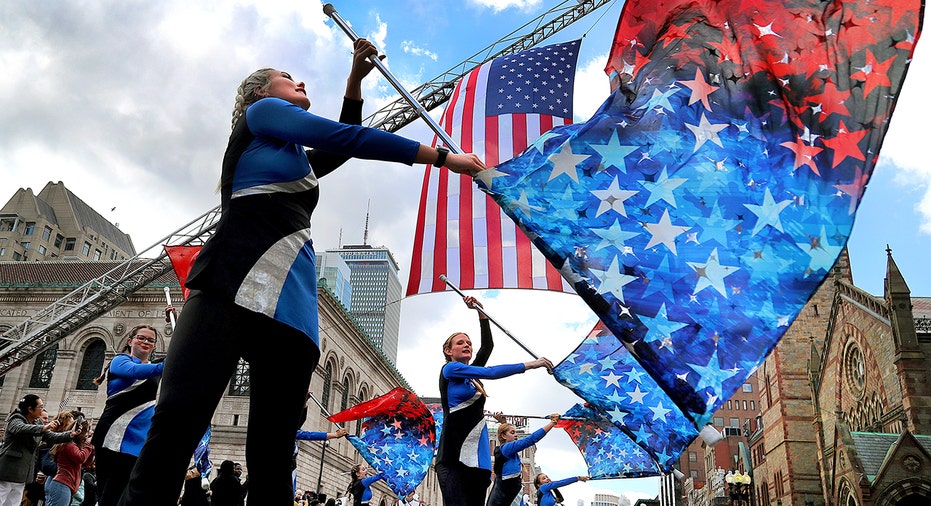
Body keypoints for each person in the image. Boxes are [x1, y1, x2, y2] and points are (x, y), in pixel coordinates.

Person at [119, 36, 485, 506]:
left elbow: (343, 142)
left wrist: (355, 79)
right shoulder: (260, 115)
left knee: (274, 453)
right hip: (231, 283)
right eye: (289, 78)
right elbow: (343, 137)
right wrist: (440, 157)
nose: (300, 81)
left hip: (287, 302)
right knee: (178, 424)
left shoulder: (294, 162)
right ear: (260, 95)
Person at [435, 296, 553, 506]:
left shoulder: (472, 376)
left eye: (469, 343)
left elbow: (487, 346)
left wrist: (481, 313)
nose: (467, 345)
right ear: (448, 351)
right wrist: (531, 364)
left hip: (478, 462)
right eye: (460, 343)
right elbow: (491, 372)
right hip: (453, 457)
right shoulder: (450, 369)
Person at [90, 323, 164, 506]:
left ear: (154, 346)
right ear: (130, 341)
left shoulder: (156, 368)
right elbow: (135, 371)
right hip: (114, 436)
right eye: (141, 338)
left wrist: (179, 323)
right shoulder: (120, 361)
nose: (145, 342)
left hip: (139, 439)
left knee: (130, 497)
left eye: (150, 340)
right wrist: (170, 363)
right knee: (109, 496)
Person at [0, 395, 77, 506]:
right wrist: (43, 428)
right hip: (7, 471)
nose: (42, 409)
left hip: (22, 474)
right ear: (30, 409)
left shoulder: (38, 423)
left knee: (13, 503)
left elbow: (52, 436)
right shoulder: (16, 418)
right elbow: (21, 428)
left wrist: (70, 434)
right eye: (40, 406)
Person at [486, 413, 560, 506]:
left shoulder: (508, 450)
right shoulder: (506, 448)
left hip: (508, 496)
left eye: (516, 432)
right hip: (502, 499)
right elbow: (531, 439)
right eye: (513, 433)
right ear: (504, 436)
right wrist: (552, 423)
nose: (516, 435)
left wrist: (503, 422)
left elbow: (505, 435)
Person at [44, 417, 93, 506]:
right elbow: (80, 458)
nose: (89, 434)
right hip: (62, 484)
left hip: (66, 485)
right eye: (88, 431)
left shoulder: (74, 445)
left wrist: (92, 449)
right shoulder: (68, 444)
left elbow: (85, 463)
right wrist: (88, 445)